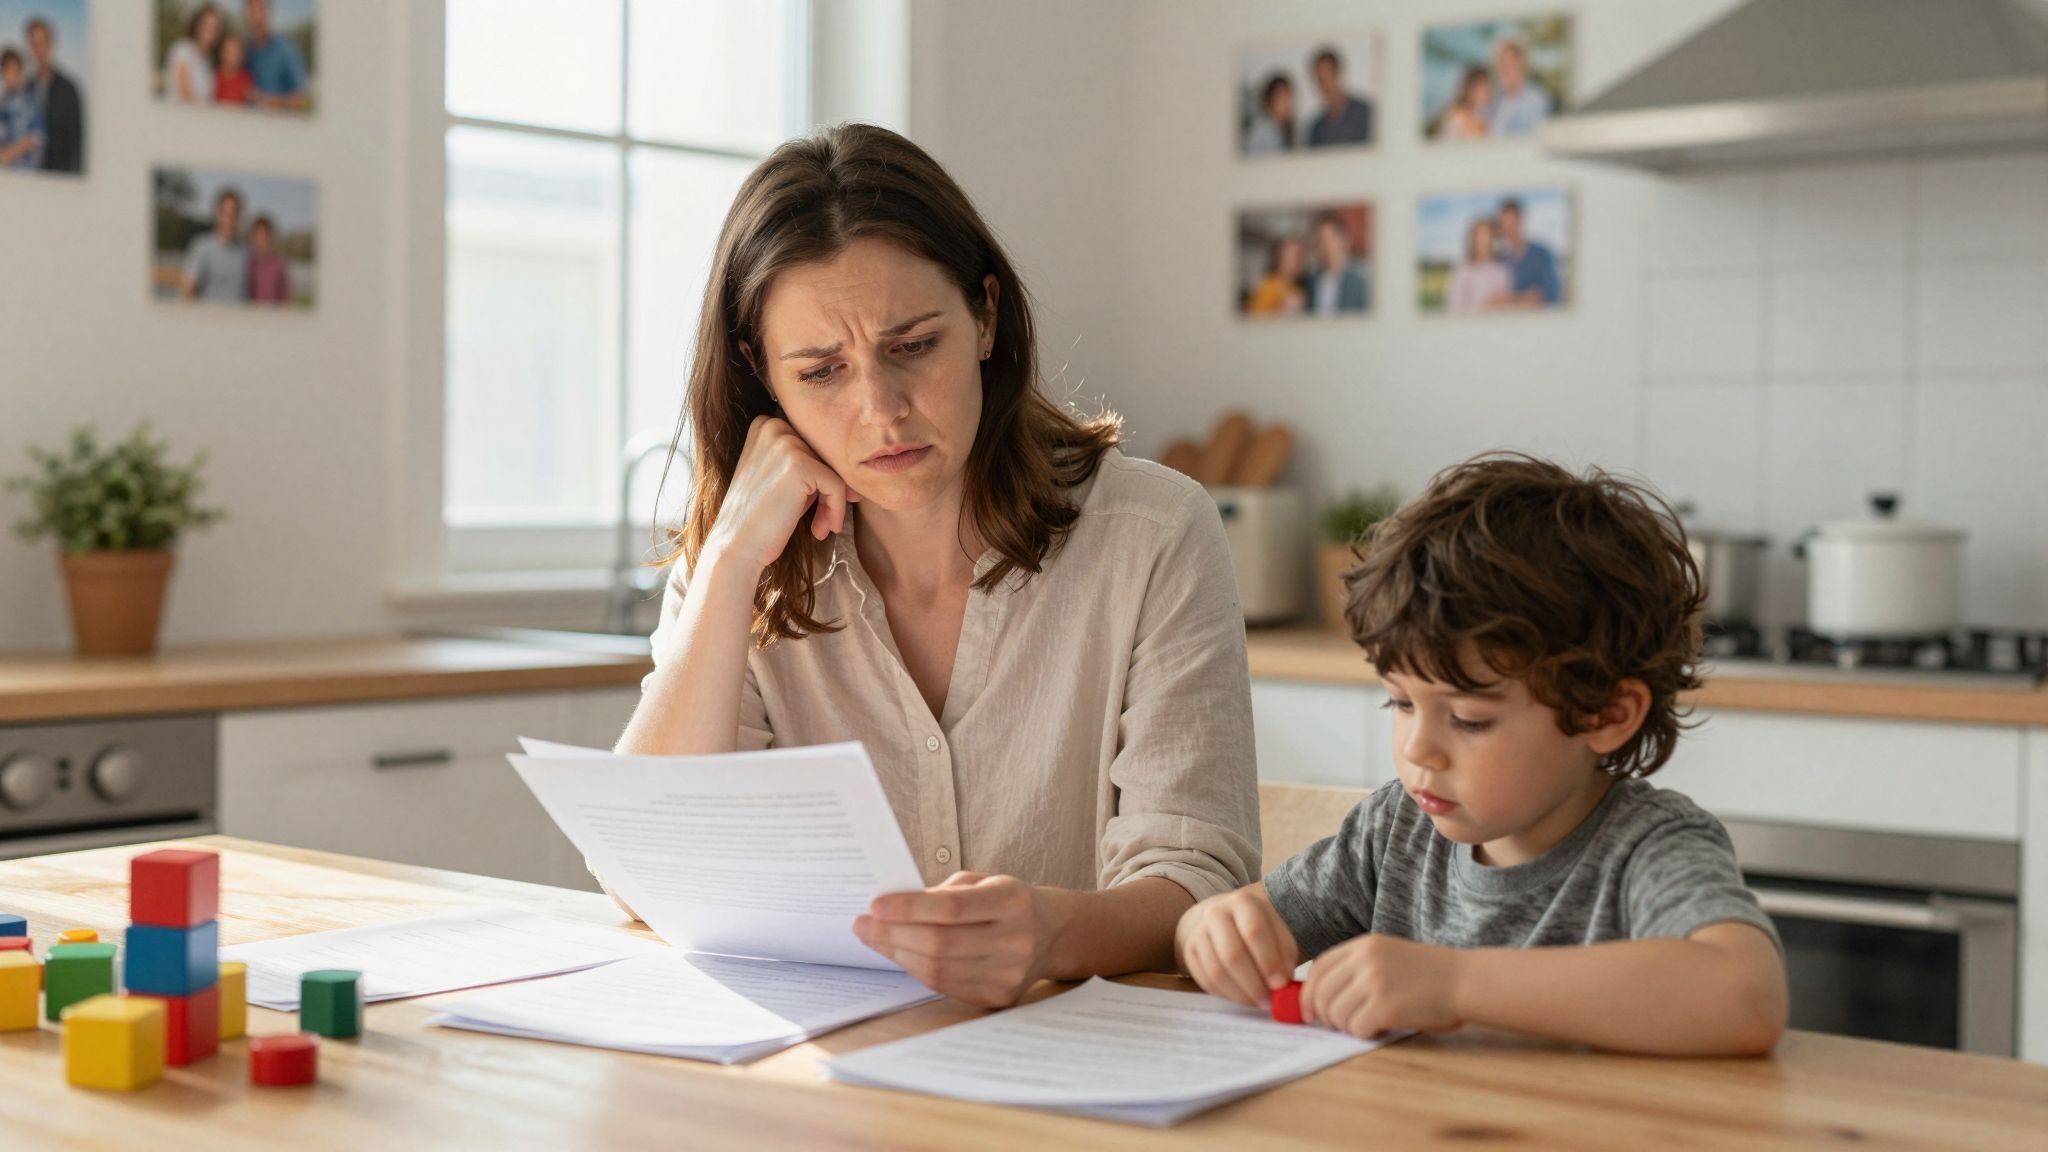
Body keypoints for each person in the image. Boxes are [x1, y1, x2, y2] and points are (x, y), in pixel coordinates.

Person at [610, 124, 1261, 1009]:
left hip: (1080, 1073)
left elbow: (1195, 876)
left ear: (986, 316)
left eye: (913, 346)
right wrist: (727, 564)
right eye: (821, 371)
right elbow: (646, 869)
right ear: (763, 377)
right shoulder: (741, 557)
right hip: (828, 1075)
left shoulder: (1153, 534)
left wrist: (1053, 932)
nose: (881, 410)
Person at [1176, 453, 1788, 1056]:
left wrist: (1453, 985)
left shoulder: (1650, 846)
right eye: (1402, 704)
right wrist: (1213, 930)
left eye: (1470, 719)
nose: (1418, 750)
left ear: (1604, 714)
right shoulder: (1394, 831)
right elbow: (1241, 924)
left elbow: (1745, 996)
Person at [23, 16, 80, 173]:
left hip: (58, 176)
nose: (37, 50)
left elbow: (76, 143)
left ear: (51, 45)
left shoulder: (68, 89)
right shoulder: (25, 88)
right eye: (33, 44)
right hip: (30, 175)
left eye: (41, 44)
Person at [180, 186, 249, 303]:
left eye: (235, 214)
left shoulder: (247, 253)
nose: (230, 220)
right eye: (226, 214)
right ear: (218, 213)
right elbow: (187, 292)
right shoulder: (201, 247)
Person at [1493, 198, 1562, 308]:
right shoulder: (1500, 261)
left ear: (1522, 221)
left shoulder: (1542, 254)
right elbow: (1496, 302)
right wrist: (1525, 298)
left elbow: (1551, 295)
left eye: (1513, 224)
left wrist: (1511, 300)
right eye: (1505, 225)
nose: (1510, 231)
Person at [243, 0, 309, 112]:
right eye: (252, 11)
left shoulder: (286, 49)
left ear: (269, 13)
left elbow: (300, 100)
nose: (256, 17)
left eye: (261, 10)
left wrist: (264, 100)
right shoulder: (243, 50)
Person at [1305, 46, 1373, 147]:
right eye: (1320, 77)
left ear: (1338, 74)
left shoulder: (1365, 113)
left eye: (1328, 75)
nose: (1325, 83)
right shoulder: (1317, 129)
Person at [1487, 38, 1553, 137]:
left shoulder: (1536, 99)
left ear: (1521, 63)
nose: (1503, 70)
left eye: (1508, 64)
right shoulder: (1495, 101)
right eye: (1500, 64)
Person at [1305, 213, 1368, 316]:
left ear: (1344, 240)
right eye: (1321, 241)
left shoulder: (1361, 283)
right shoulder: (1310, 281)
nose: (1326, 247)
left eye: (1330, 239)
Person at [1446, 217, 1510, 314]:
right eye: (1480, 236)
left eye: (1488, 235)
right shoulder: (1463, 271)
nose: (1485, 241)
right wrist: (1484, 307)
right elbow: (1454, 308)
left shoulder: (1501, 271)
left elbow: (1507, 307)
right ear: (1473, 239)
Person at [163, 4, 222, 104]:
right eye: (205, 24)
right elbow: (184, 92)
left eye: (214, 27)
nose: (208, 30)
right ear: (197, 25)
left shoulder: (210, 63)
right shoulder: (182, 49)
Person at [0, 47, 42, 170]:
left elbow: (36, 138)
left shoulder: (31, 100)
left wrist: (8, 154)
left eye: (15, 70)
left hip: (24, 173)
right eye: (7, 70)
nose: (12, 75)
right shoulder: (3, 102)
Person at [1245, 236, 1305, 316]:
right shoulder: (1267, 287)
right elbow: (1254, 320)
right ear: (1279, 258)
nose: (1297, 260)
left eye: (1299, 255)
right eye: (1292, 255)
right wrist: (1281, 309)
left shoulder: (1296, 286)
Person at [1243, 72, 1294, 155]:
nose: (1287, 103)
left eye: (1288, 97)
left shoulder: (1284, 130)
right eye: (1282, 97)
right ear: (1270, 99)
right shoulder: (1261, 131)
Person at [1436, 65, 1491, 141]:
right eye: (1482, 85)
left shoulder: (1484, 115)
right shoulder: (1456, 117)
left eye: (1487, 84)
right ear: (1470, 89)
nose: (1487, 90)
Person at [246, 214, 289, 303]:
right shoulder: (247, 262)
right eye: (259, 235)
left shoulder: (279, 265)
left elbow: (286, 296)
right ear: (253, 237)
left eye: (265, 235)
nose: (262, 239)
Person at [213, 31, 253, 106]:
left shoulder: (245, 77)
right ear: (221, 53)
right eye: (228, 52)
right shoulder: (215, 75)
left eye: (236, 53)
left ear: (242, 55)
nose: (232, 57)